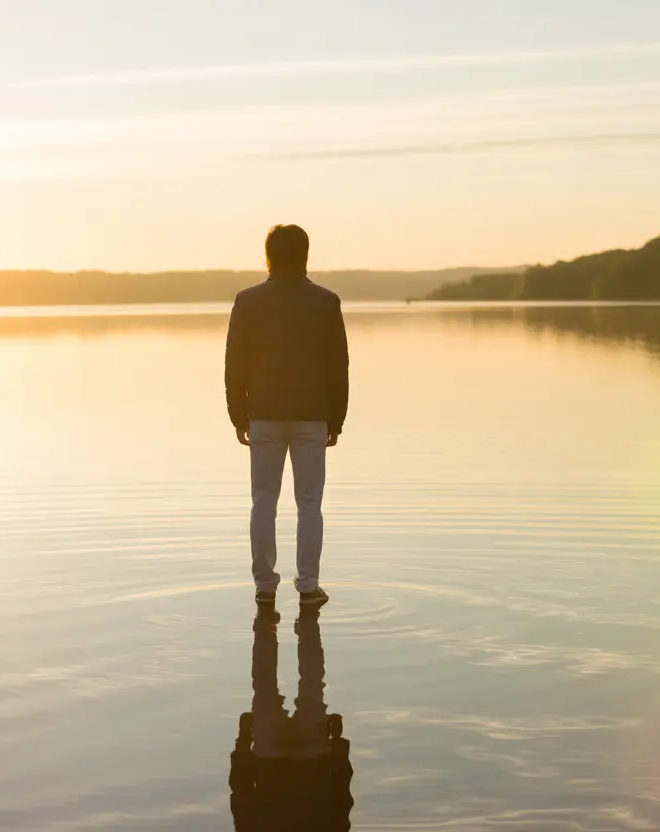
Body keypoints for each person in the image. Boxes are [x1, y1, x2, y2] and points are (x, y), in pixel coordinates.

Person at [225, 224, 350, 608]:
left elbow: (234, 365)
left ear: (268, 256)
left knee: (263, 500)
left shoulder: (247, 301)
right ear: (306, 255)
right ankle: (308, 585)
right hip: (312, 417)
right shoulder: (326, 302)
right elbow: (339, 366)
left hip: (263, 415)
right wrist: (336, 419)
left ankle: (265, 586)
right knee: (309, 503)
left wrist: (238, 416)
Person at [229, 608, 354, 831]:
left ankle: (300, 622)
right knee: (266, 684)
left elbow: (340, 799)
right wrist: (243, 741)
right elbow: (242, 798)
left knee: (311, 681)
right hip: (283, 757)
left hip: (304, 757)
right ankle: (280, 622)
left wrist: (338, 743)